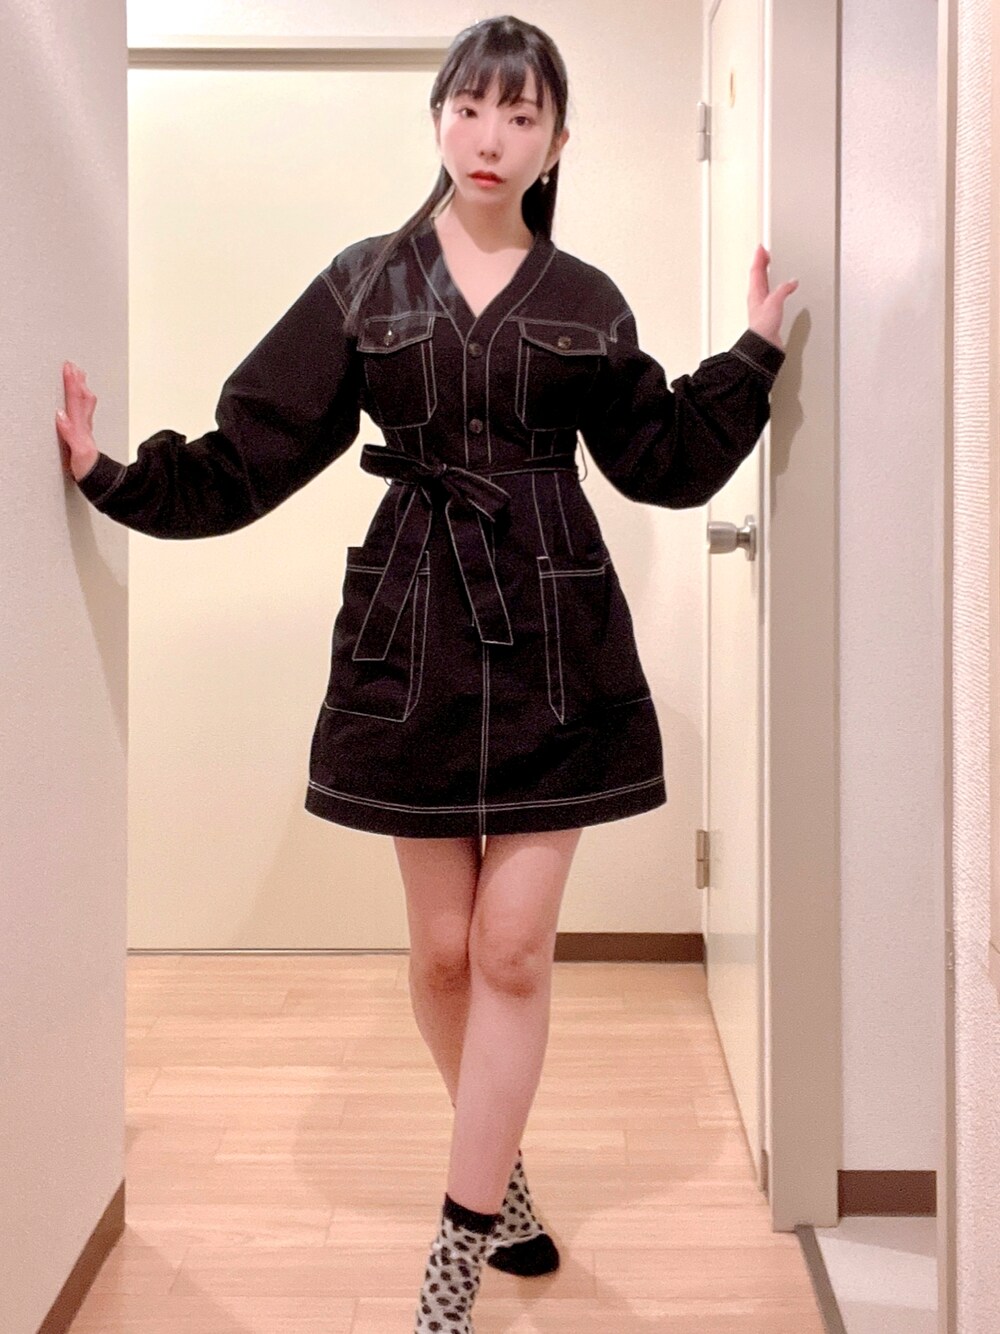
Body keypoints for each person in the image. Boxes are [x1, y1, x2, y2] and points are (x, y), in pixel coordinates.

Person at [57, 15, 797, 1332]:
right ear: (438, 116)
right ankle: (503, 1178)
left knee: (511, 949)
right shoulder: (365, 283)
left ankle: (452, 1262)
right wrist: (116, 477)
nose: (490, 136)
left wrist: (751, 356)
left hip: (556, 632)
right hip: (413, 631)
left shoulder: (586, 299)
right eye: (470, 106)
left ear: (557, 142)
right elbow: (255, 445)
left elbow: (663, 458)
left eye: (521, 115)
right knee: (446, 955)